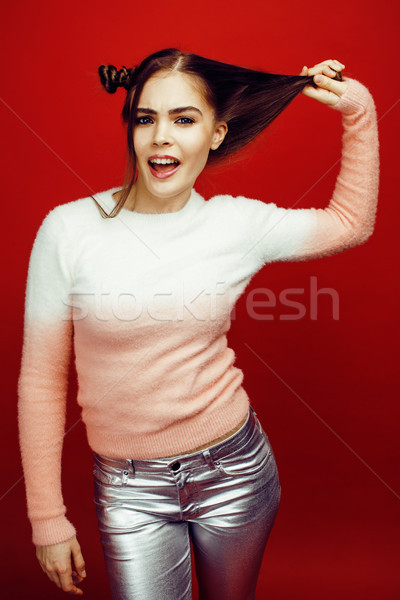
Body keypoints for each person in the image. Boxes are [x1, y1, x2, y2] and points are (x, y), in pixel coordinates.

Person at [17, 48, 379, 599]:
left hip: (236, 471)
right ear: (132, 129)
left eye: (184, 120)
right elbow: (41, 379)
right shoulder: (67, 231)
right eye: (146, 118)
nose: (162, 136)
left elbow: (350, 223)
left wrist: (359, 110)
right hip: (129, 488)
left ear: (215, 134)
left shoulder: (235, 223)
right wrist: (48, 518)